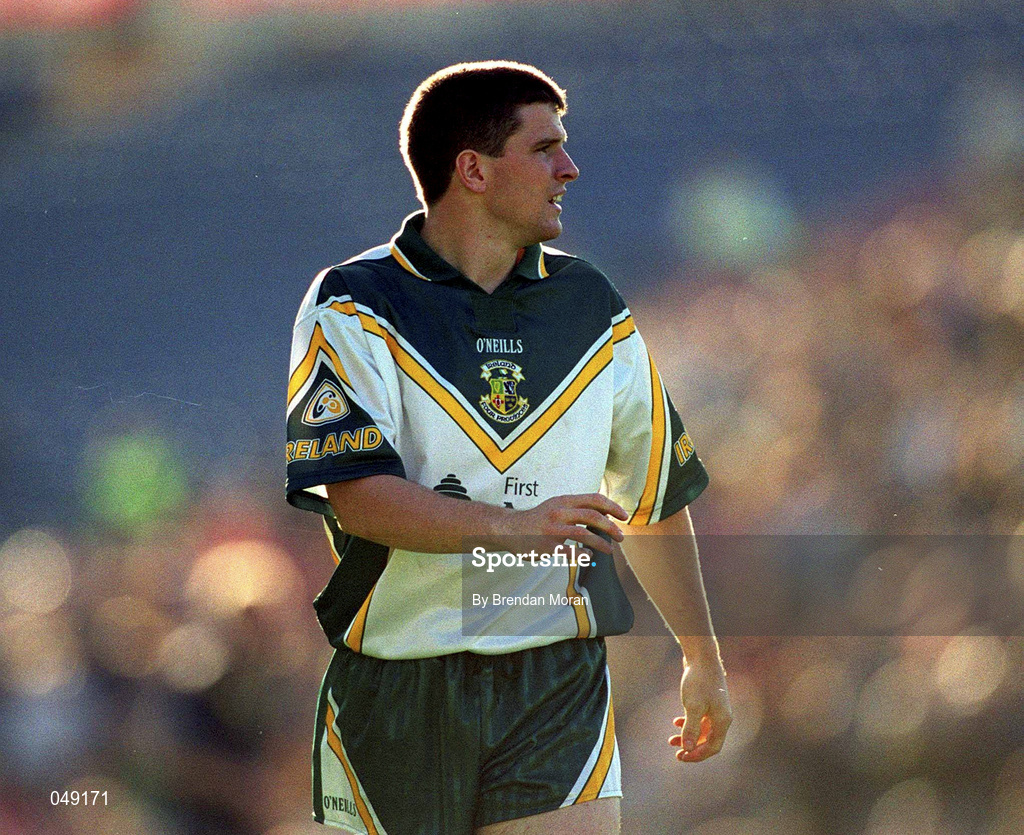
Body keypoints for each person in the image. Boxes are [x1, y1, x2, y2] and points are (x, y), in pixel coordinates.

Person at [285, 60, 731, 835]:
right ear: (473, 170)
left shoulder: (592, 303)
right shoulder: (354, 302)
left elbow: (653, 491)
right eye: (545, 148)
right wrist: (523, 528)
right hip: (399, 690)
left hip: (557, 679)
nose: (570, 168)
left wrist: (701, 653)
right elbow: (357, 495)